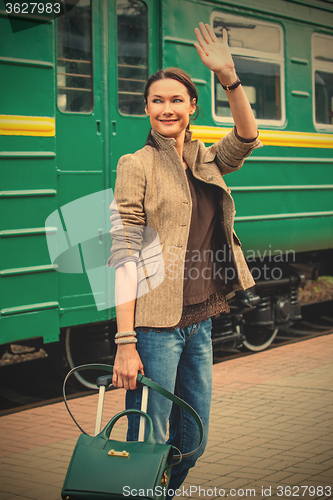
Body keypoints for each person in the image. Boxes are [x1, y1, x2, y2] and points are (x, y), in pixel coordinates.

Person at [107, 22, 262, 498]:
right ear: (147, 108)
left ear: (192, 106)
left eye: (177, 100)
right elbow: (124, 255)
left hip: (200, 323)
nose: (167, 108)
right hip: (154, 330)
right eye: (158, 100)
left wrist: (229, 75)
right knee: (147, 443)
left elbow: (246, 136)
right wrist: (125, 341)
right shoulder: (137, 164)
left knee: (191, 442)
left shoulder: (205, 158)